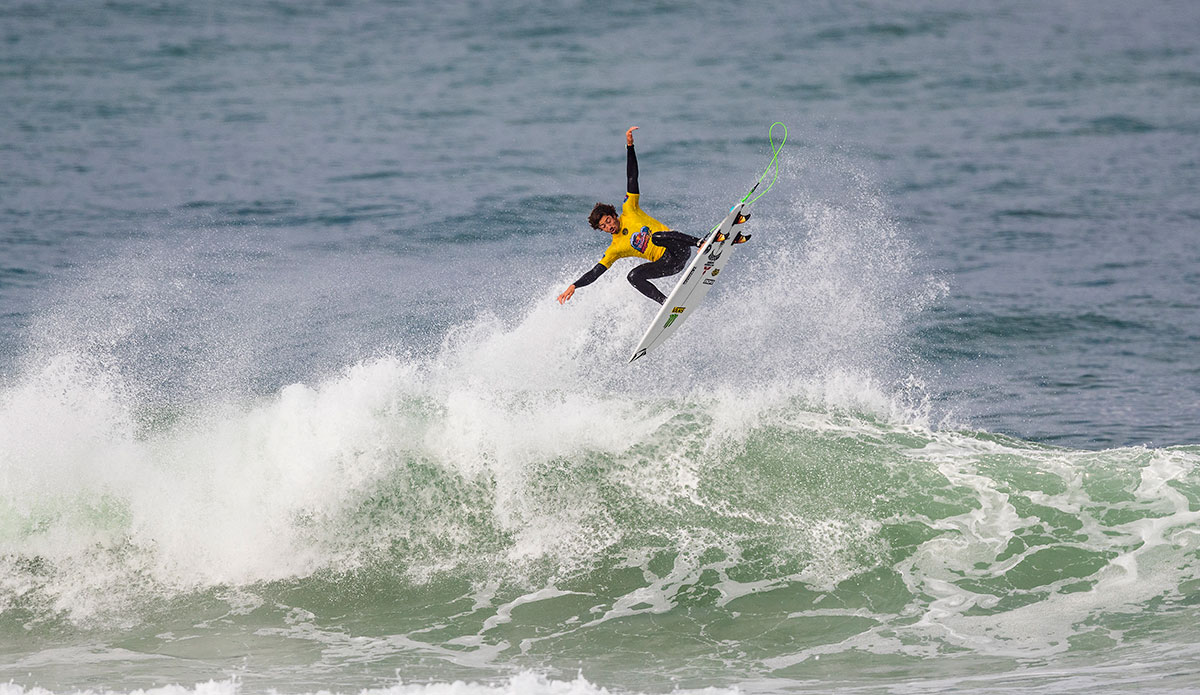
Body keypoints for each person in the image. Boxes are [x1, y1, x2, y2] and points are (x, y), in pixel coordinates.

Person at [557, 126, 748, 306]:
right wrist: (574, 285)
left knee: (656, 237)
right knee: (633, 276)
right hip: (669, 265)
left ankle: (701, 243)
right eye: (604, 227)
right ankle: (666, 303)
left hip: (679, 249)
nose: (609, 226)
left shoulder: (630, 208)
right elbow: (596, 272)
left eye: (608, 221)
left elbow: (632, 177)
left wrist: (630, 147)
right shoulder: (615, 248)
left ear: (613, 214)